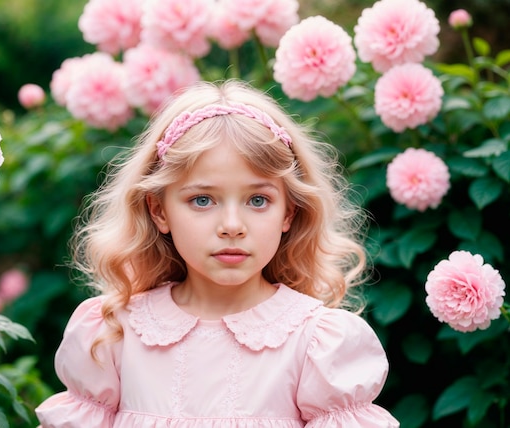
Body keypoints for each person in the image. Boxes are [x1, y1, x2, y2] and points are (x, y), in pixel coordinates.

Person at [35, 80, 400, 427]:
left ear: (288, 212)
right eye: (202, 200)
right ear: (159, 211)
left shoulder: (316, 343)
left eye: (258, 200)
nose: (231, 225)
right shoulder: (115, 333)